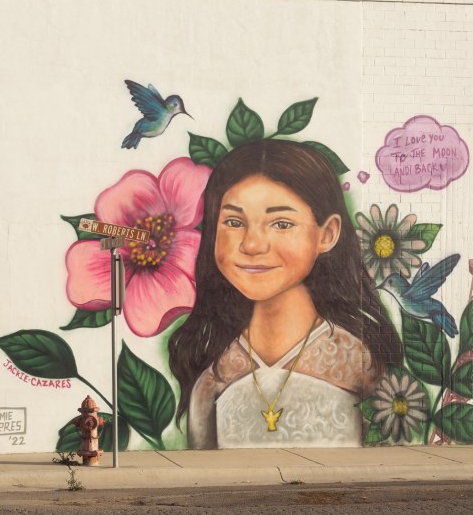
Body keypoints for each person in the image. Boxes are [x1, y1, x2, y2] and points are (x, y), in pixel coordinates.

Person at [168, 139, 403, 449]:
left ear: (327, 234)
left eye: (281, 223)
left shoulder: (360, 364)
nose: (252, 245)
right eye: (234, 222)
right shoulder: (215, 375)